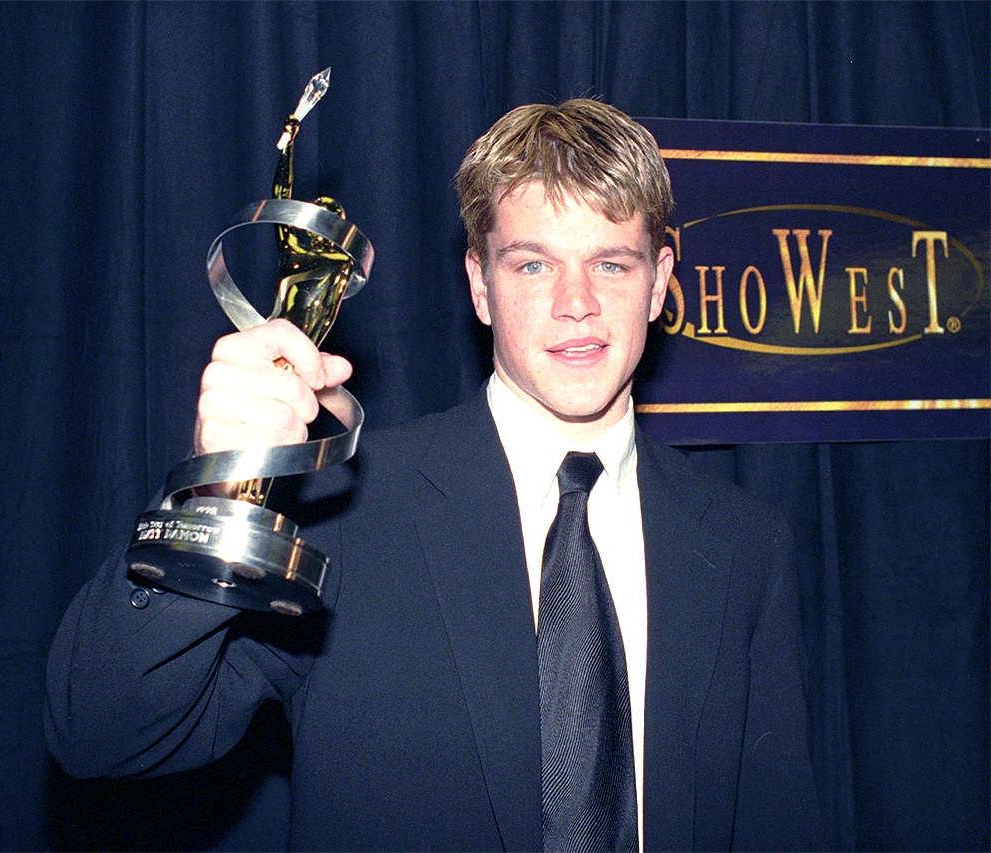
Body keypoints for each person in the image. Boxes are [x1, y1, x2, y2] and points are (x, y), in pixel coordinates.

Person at [46, 99, 825, 851]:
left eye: (610, 263)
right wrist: (218, 489)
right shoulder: (342, 510)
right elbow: (99, 732)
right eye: (532, 264)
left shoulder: (744, 544)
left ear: (658, 283)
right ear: (480, 285)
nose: (576, 303)